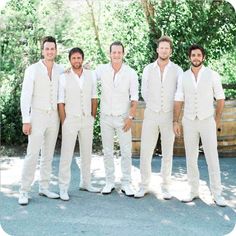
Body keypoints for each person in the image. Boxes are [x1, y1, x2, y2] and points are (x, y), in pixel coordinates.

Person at [173, 44, 226, 207]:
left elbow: (221, 98)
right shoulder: (183, 76)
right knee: (191, 157)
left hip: (207, 119)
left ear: (203, 57)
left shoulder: (212, 75)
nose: (196, 58)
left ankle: (217, 193)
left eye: (198, 55)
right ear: (189, 57)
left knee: (212, 156)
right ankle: (193, 190)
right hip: (188, 120)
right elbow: (179, 99)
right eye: (193, 55)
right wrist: (176, 120)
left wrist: (216, 119)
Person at [135, 36, 183, 199]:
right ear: (157, 50)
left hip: (169, 116)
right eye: (161, 48)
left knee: (168, 152)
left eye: (167, 48)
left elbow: (179, 93)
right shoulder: (148, 69)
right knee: (146, 151)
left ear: (170, 51)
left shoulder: (177, 70)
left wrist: (173, 115)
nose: (164, 50)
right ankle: (143, 185)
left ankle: (166, 187)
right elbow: (144, 91)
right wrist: (155, 106)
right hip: (151, 114)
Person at [18, 36, 63, 205]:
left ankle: (44, 187)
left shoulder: (60, 69)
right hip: (37, 115)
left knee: (48, 154)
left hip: (54, 117)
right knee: (32, 153)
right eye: (47, 49)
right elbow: (25, 95)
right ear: (42, 50)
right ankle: (23, 190)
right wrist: (26, 119)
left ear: (56, 51)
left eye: (52, 48)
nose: (50, 51)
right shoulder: (32, 69)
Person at [95, 41, 139, 196]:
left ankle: (126, 183)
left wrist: (130, 117)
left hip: (123, 118)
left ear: (123, 54)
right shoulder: (101, 70)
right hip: (106, 117)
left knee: (126, 151)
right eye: (114, 52)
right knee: (107, 151)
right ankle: (109, 182)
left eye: (119, 52)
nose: (116, 55)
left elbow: (134, 98)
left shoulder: (130, 73)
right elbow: (86, 76)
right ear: (110, 54)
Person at [58, 47, 99, 201]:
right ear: (70, 60)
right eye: (74, 58)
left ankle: (86, 182)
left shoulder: (91, 74)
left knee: (87, 152)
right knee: (66, 154)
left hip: (87, 119)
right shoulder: (64, 76)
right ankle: (63, 187)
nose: (76, 60)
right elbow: (60, 102)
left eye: (79, 58)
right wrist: (64, 121)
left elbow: (94, 97)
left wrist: (92, 117)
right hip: (70, 119)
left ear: (82, 59)